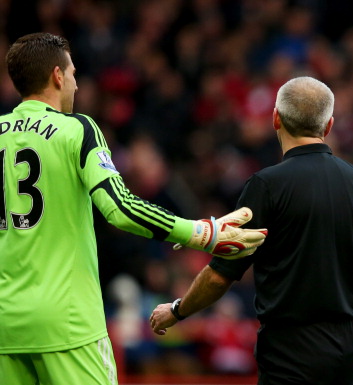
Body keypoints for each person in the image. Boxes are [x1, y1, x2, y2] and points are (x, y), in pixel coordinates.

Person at [0, 32, 266, 385]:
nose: (77, 86)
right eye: (74, 74)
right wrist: (204, 233)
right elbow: (120, 208)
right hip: (68, 323)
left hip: (7, 326)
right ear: (57, 76)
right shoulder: (76, 129)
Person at [150, 76, 353, 385]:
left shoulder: (266, 187)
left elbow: (219, 276)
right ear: (329, 125)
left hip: (289, 350)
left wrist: (177, 310)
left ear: (275, 118)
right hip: (348, 349)